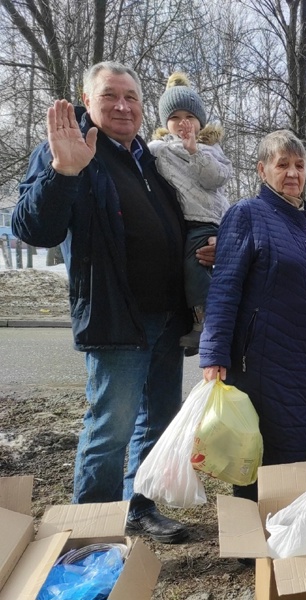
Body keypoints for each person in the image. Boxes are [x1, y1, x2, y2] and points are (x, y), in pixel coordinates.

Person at [11, 62, 214, 544]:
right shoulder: (72, 151)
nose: (122, 106)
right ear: (87, 100)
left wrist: (204, 247)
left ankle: (137, 508)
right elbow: (32, 229)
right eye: (110, 97)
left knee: (156, 423)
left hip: (166, 320)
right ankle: (90, 531)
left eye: (131, 98)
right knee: (110, 430)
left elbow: (178, 219)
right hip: (116, 317)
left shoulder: (150, 157)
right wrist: (63, 172)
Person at [200, 130, 306, 500]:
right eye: (282, 164)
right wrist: (214, 354)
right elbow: (225, 286)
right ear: (262, 170)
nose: (292, 173)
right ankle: (254, 541)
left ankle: (290, 529)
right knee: (257, 448)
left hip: (299, 359)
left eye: (300, 165)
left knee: (297, 442)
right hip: (257, 357)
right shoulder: (246, 215)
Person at [149, 72, 233, 354]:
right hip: (181, 224)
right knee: (181, 273)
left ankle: (208, 324)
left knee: (195, 267)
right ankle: (197, 320)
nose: (183, 123)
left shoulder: (211, 149)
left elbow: (216, 179)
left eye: (190, 116)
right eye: (175, 117)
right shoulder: (160, 150)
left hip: (208, 221)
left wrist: (195, 151)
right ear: (166, 123)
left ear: (201, 121)